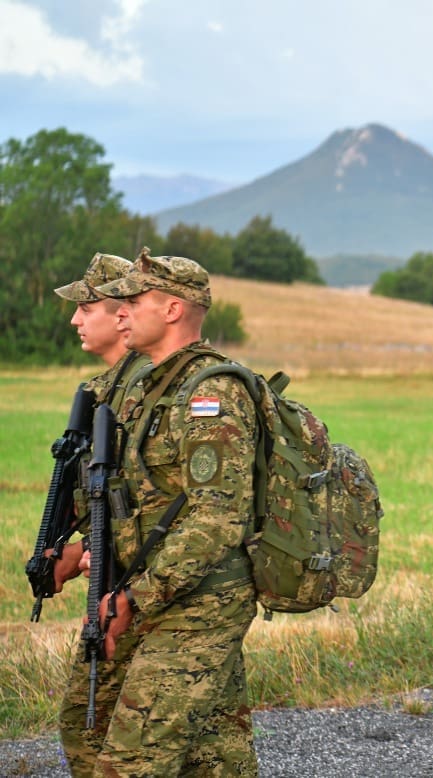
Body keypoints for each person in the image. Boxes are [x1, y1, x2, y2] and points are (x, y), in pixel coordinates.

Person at [76, 249, 261, 776]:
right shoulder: (153, 385)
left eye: (135, 302)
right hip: (162, 589)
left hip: (201, 599)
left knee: (130, 760)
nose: (122, 312)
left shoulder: (210, 393)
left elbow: (216, 519)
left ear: (173, 309)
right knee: (215, 757)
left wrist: (135, 598)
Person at [49, 253, 153, 775]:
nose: (74, 319)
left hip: (141, 586)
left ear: (121, 313)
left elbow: (146, 501)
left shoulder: (144, 389)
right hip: (123, 582)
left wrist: (98, 553)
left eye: (86, 308)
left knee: (89, 728)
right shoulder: (107, 387)